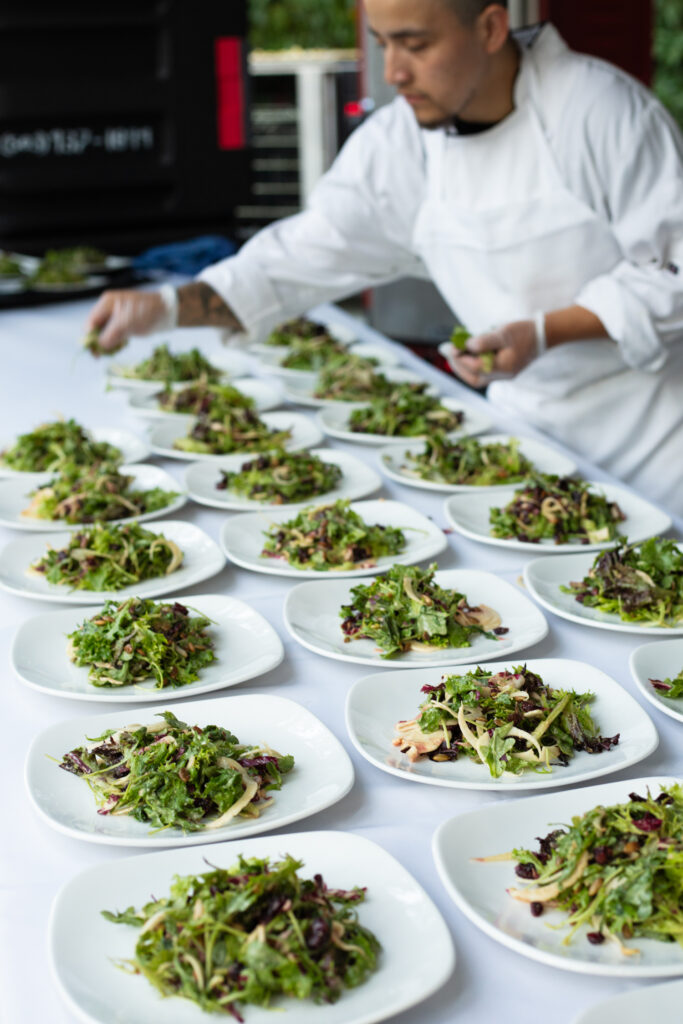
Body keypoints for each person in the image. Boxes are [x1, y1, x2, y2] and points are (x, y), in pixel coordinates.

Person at [87, 0, 683, 513]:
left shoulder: (601, 109)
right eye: (381, 43)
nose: (393, 71)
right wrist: (165, 308)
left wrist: (545, 333)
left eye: (416, 45)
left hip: (653, 450)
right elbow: (296, 258)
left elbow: (673, 272)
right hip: (528, 442)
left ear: (491, 28)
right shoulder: (398, 144)